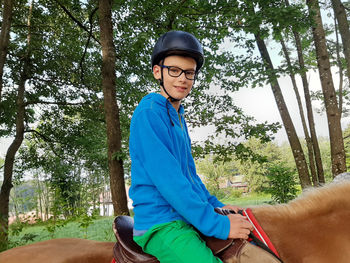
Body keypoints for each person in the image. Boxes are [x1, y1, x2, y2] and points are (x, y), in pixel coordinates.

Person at [129, 30, 254, 263]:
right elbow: (170, 182)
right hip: (162, 223)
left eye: (189, 72)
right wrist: (217, 223)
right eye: (174, 70)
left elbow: (189, 176)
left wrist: (217, 205)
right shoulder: (149, 114)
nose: (182, 78)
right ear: (158, 71)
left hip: (183, 215)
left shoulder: (177, 115)